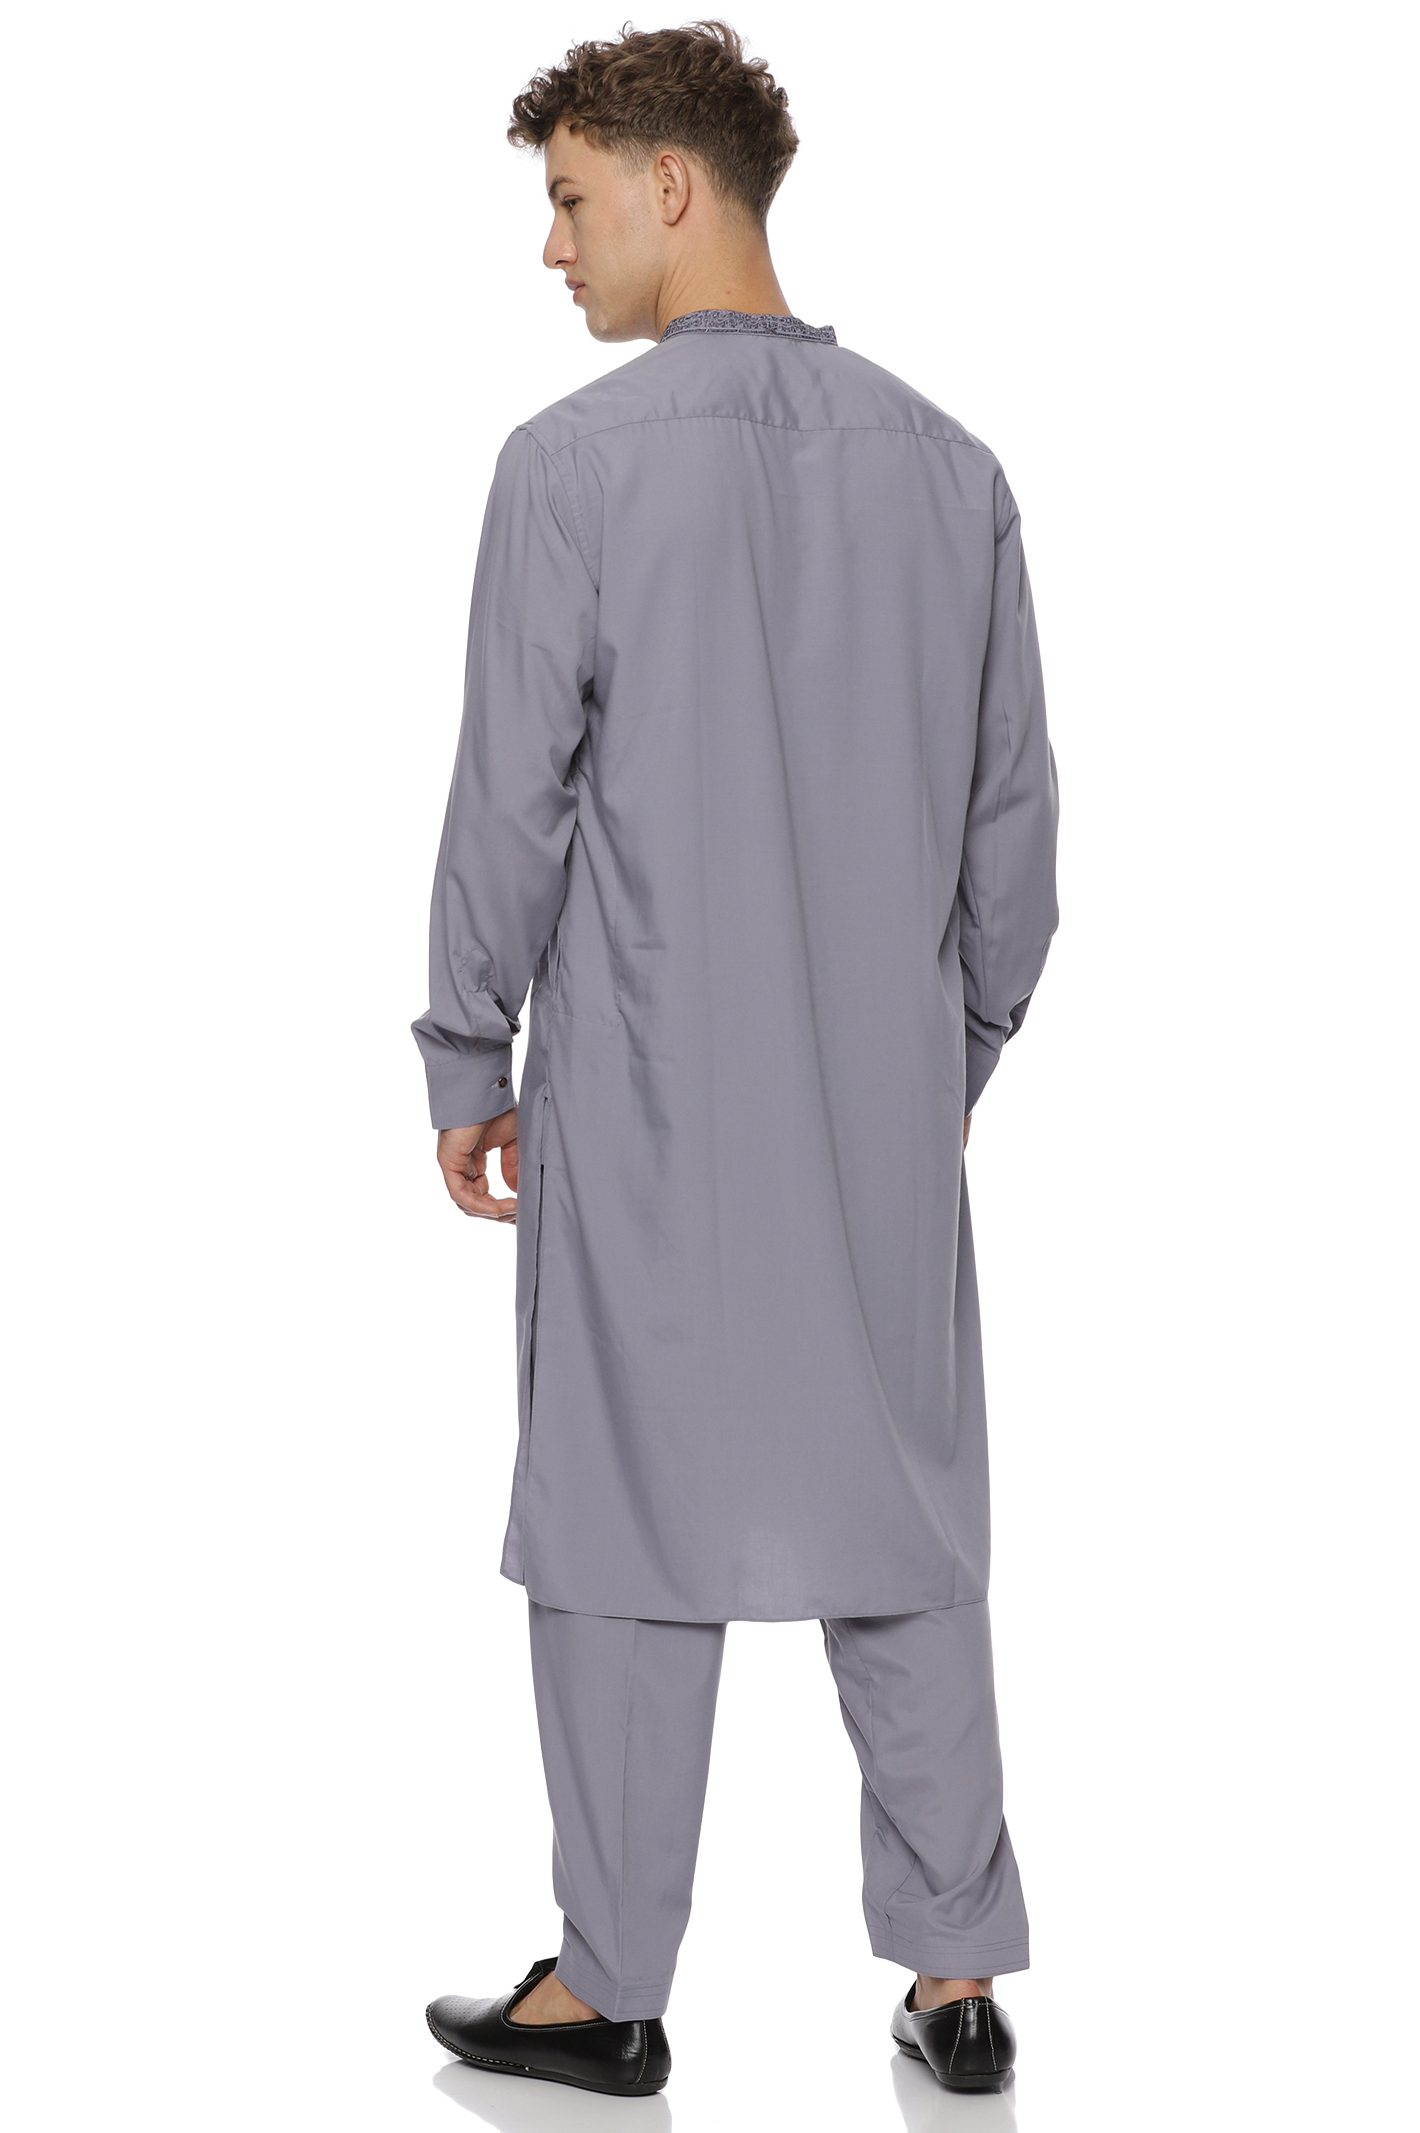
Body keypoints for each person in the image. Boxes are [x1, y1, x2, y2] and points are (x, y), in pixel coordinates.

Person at [412, 21, 1059, 2101]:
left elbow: (509, 806)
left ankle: (607, 1986)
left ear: (671, 186)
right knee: (907, 1518)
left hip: (646, 1113)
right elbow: (1014, 850)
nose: (551, 247)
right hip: (876, 1124)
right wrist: (940, 1057)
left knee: (619, 1512)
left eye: (569, 199)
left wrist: (464, 1047)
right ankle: (956, 1978)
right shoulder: (954, 474)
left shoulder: (571, 468)